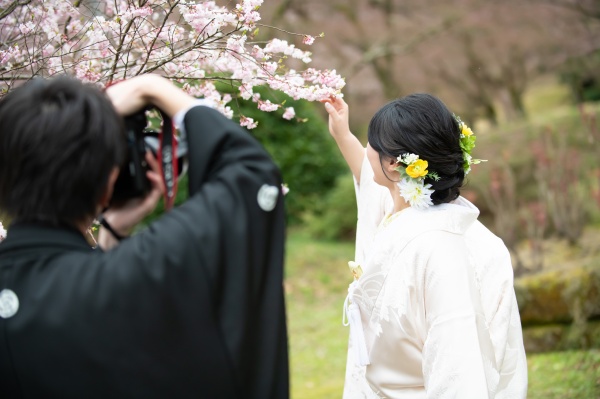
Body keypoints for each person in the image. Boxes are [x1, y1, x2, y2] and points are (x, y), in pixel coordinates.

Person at [0, 75, 289, 398]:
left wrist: (111, 232)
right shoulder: (139, 275)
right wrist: (152, 88)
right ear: (110, 179)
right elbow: (250, 182)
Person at [323, 94, 528, 398]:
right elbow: (370, 178)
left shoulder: (445, 247)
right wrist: (342, 133)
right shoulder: (404, 203)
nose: (367, 151)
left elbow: (456, 369)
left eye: (371, 143)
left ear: (394, 165)